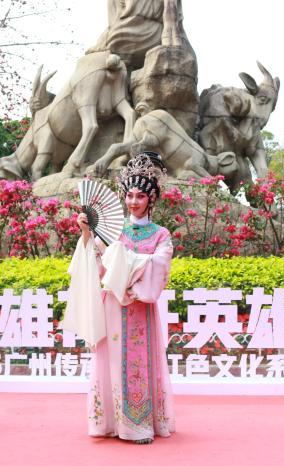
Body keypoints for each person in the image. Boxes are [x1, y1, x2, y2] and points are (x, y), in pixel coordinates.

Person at [72, 151, 175, 444]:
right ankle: (111, 422)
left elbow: (160, 266)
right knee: (112, 362)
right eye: (129, 195)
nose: (133, 201)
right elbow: (97, 264)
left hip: (140, 306)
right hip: (114, 305)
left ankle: (138, 425)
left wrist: (124, 263)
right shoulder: (113, 231)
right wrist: (86, 234)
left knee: (139, 363)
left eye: (140, 196)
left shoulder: (161, 234)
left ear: (151, 199)